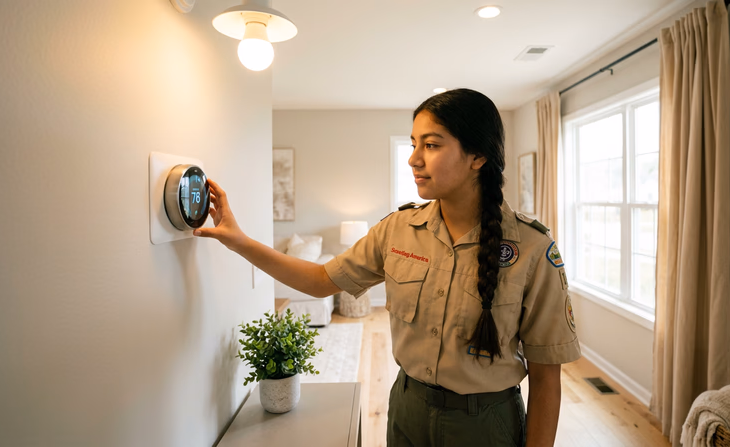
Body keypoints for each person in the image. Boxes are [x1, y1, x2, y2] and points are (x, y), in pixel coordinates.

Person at [194, 88, 580, 447]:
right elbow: (319, 280)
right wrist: (239, 240)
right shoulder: (398, 230)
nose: (414, 159)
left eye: (431, 145)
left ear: (477, 156)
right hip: (408, 412)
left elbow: (547, 379)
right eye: (414, 144)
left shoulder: (532, 250)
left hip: (485, 424)